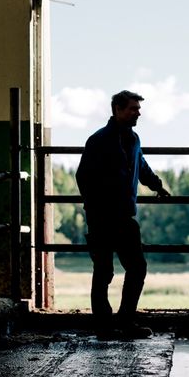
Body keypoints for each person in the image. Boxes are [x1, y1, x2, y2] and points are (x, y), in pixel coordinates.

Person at [76, 90, 171, 340]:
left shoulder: (133, 139)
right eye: (133, 108)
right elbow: (83, 177)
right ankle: (105, 327)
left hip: (124, 217)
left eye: (138, 109)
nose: (138, 113)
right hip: (102, 218)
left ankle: (125, 321)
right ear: (117, 109)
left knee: (137, 267)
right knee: (104, 271)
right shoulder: (98, 140)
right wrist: (95, 209)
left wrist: (157, 186)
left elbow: (141, 166)